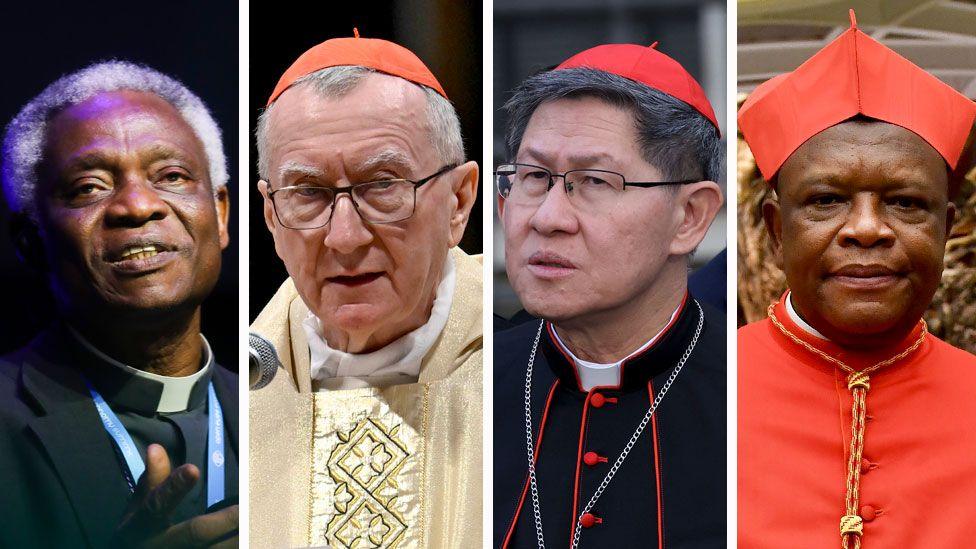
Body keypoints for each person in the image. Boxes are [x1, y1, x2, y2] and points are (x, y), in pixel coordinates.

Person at [737, 10, 976, 548]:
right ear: (777, 231)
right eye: (825, 201)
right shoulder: (689, 395)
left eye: (906, 203)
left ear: (946, 230)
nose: (867, 230)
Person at [249, 33, 482, 547]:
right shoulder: (233, 399)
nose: (345, 237)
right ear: (271, 217)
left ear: (459, 202)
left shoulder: (522, 371)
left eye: (382, 185)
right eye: (308, 193)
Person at [493, 42, 726, 547]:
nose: (548, 218)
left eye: (594, 181)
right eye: (534, 177)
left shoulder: (748, 393)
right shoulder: (471, 383)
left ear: (690, 218)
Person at [0, 61, 238, 547]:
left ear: (220, 214)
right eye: (89, 187)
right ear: (30, 242)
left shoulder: (287, 412)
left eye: (171, 175)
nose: (137, 206)